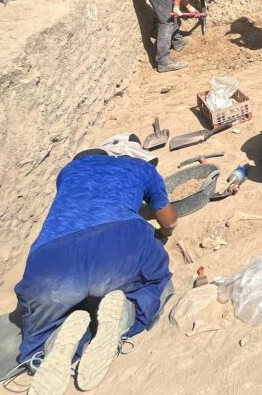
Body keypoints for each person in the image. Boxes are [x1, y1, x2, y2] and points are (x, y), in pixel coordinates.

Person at [14, 135, 176, 395]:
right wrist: (164, 232)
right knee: (155, 280)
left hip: (48, 262)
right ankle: (126, 314)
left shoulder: (70, 171)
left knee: (41, 323)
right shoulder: (142, 168)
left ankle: (53, 342)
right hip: (119, 244)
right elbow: (168, 220)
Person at [133, 0, 223, 73]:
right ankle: (163, 61)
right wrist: (176, 8)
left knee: (168, 9)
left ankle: (177, 41)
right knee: (167, 21)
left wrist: (189, 8)